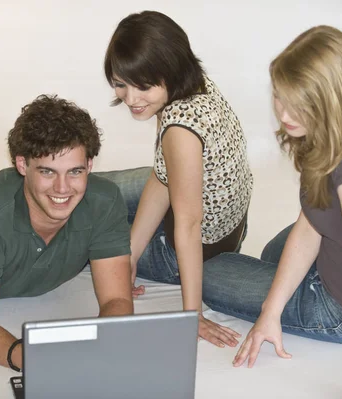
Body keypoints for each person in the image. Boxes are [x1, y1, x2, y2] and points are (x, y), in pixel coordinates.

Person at [201, 25, 342, 396]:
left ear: (332, 101)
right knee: (275, 251)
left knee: (212, 271)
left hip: (341, 307)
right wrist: (271, 309)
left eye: (299, 104)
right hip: (333, 248)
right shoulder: (329, 134)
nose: (285, 114)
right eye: (279, 96)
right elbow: (309, 224)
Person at [0, 94, 135, 371]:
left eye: (75, 171)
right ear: (22, 165)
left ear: (90, 166)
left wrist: (101, 349)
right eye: (48, 171)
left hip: (12, 193)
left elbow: (116, 300)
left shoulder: (105, 201)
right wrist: (37, 360)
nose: (63, 187)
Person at [103, 10, 253, 348]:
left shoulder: (180, 129)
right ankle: (11, 186)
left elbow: (188, 224)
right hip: (225, 227)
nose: (130, 98)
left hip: (190, 249)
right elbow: (163, 176)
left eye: (143, 86)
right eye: (121, 83)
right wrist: (130, 254)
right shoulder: (193, 86)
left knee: (77, 213)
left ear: (169, 71)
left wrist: (192, 315)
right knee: (87, 189)